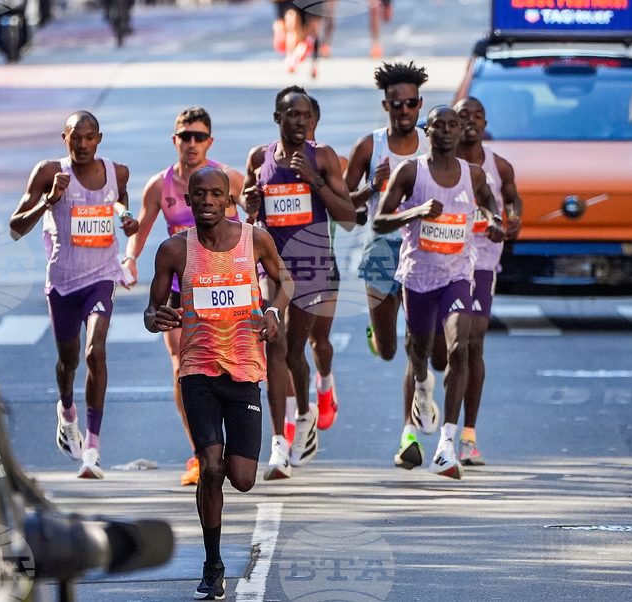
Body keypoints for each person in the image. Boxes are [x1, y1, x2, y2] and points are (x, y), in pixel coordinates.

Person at [144, 166, 293, 601]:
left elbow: (285, 280)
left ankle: (222, 486)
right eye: (199, 194)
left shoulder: (255, 239)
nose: (207, 201)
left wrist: (273, 312)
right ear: (187, 201)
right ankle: (213, 565)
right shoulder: (173, 250)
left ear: (229, 201)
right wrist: (157, 318)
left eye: (216, 194)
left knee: (242, 478)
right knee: (211, 467)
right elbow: (153, 313)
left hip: (245, 370)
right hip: (198, 371)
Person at [373, 106, 505, 479]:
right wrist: (413, 214)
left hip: (458, 275)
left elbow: (491, 205)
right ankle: (421, 384)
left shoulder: (474, 175)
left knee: (459, 347)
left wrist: (494, 221)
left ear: (461, 129)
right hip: (417, 277)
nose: (447, 132)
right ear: (427, 131)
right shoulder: (411, 171)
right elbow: (380, 221)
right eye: (439, 126)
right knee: (418, 351)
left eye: (453, 125)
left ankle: (447, 445)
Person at [9, 111, 139, 480]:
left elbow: (119, 202)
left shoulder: (118, 172)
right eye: (74, 138)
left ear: (99, 138)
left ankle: (93, 450)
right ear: (63, 138)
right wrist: (49, 201)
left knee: (95, 351)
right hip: (63, 282)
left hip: (102, 276)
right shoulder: (49, 173)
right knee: (68, 362)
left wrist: (127, 219)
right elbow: (16, 228)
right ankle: (67, 412)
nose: (82, 145)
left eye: (89, 138)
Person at [123, 107, 245, 487]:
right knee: (182, 369)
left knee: (232, 363)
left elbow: (254, 222)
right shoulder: (160, 186)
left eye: (198, 137)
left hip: (224, 287)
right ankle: (200, 453)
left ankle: (240, 442)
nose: (191, 143)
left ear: (209, 141)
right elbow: (140, 231)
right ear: (174, 141)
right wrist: (129, 259)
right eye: (184, 137)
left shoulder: (230, 179)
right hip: (180, 291)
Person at [241, 88, 356, 479]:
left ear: (312, 119)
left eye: (306, 114)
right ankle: (278, 445)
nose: (300, 121)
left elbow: (349, 218)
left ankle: (305, 414)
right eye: (292, 114)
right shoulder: (259, 158)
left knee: (294, 351)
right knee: (272, 343)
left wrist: (315, 182)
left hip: (313, 265)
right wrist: (249, 200)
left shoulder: (323, 157)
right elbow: (249, 207)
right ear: (278, 118)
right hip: (271, 265)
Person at [344, 61, 430, 363]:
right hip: (381, 248)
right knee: (387, 351)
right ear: (386, 105)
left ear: (419, 104)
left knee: (420, 343)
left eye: (410, 103)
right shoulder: (370, 146)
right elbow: (343, 203)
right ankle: (377, 333)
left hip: (422, 248)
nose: (404, 110)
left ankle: (419, 389)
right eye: (397, 104)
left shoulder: (432, 144)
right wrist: (371, 186)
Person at [453, 96, 522, 465]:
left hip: (482, 260)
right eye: (463, 116)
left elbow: (513, 201)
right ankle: (429, 393)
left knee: (472, 343)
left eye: (477, 115)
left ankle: (466, 436)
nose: (470, 122)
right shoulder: (441, 166)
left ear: (485, 121)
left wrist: (513, 221)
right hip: (443, 260)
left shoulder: (499, 166)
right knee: (442, 348)